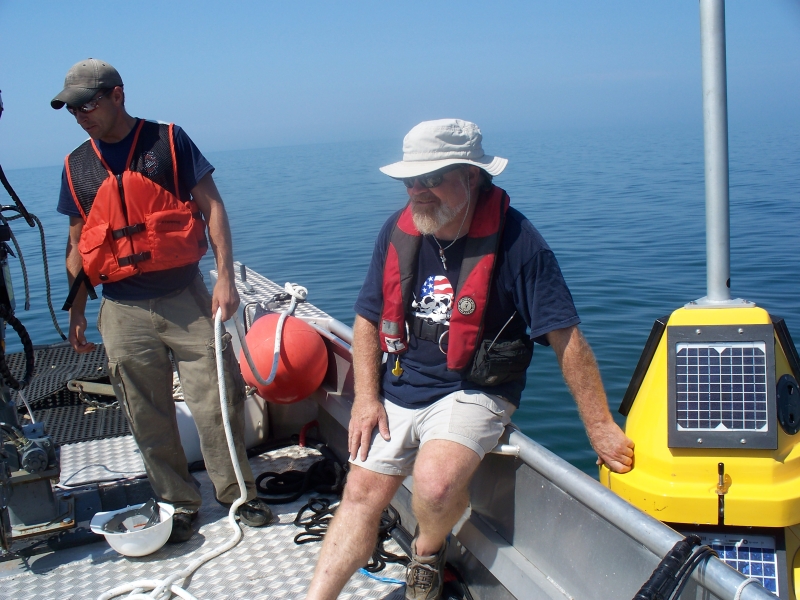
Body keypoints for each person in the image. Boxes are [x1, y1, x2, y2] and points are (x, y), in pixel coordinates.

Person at [307, 119, 635, 600]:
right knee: (359, 493)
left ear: (472, 176)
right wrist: (365, 400)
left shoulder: (520, 243)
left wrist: (600, 426)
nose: (417, 191)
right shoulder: (397, 233)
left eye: (432, 178)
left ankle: (427, 550)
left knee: (435, 485)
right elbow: (367, 321)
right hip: (401, 382)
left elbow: (566, 338)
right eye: (410, 180)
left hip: (474, 387)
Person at [51, 58, 271, 543]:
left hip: (185, 296)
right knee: (145, 412)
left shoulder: (167, 141)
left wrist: (225, 280)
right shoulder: (76, 166)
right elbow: (78, 243)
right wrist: (78, 311)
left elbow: (212, 207)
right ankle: (177, 501)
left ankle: (239, 495)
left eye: (87, 104)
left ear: (117, 95)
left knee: (218, 399)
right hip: (122, 309)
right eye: (71, 109)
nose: (80, 115)